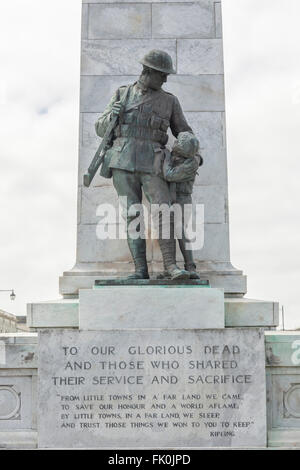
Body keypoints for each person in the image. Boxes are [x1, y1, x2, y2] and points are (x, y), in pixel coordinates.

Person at [95, 50, 198, 280]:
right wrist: (111, 116)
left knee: (164, 212)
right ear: (148, 72)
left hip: (153, 162)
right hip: (122, 161)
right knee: (133, 215)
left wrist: (194, 154)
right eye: (162, 75)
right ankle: (140, 271)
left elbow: (184, 132)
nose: (165, 79)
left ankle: (171, 267)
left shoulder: (169, 101)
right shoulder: (122, 94)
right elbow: (100, 129)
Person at [163, 132, 202, 279]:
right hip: (170, 199)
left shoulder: (191, 163)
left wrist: (166, 158)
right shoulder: (178, 158)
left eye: (180, 142)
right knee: (166, 233)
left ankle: (190, 266)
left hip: (181, 200)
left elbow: (169, 175)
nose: (176, 143)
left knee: (180, 231)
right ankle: (168, 268)